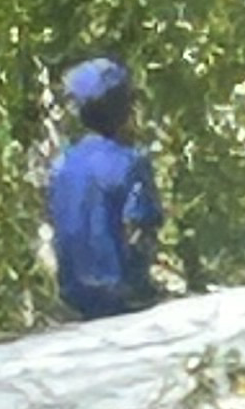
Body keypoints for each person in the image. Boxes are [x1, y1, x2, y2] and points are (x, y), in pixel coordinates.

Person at [45, 54, 163, 317]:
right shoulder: (131, 162)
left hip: (73, 296)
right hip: (121, 293)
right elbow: (140, 228)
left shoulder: (60, 167)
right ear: (125, 110)